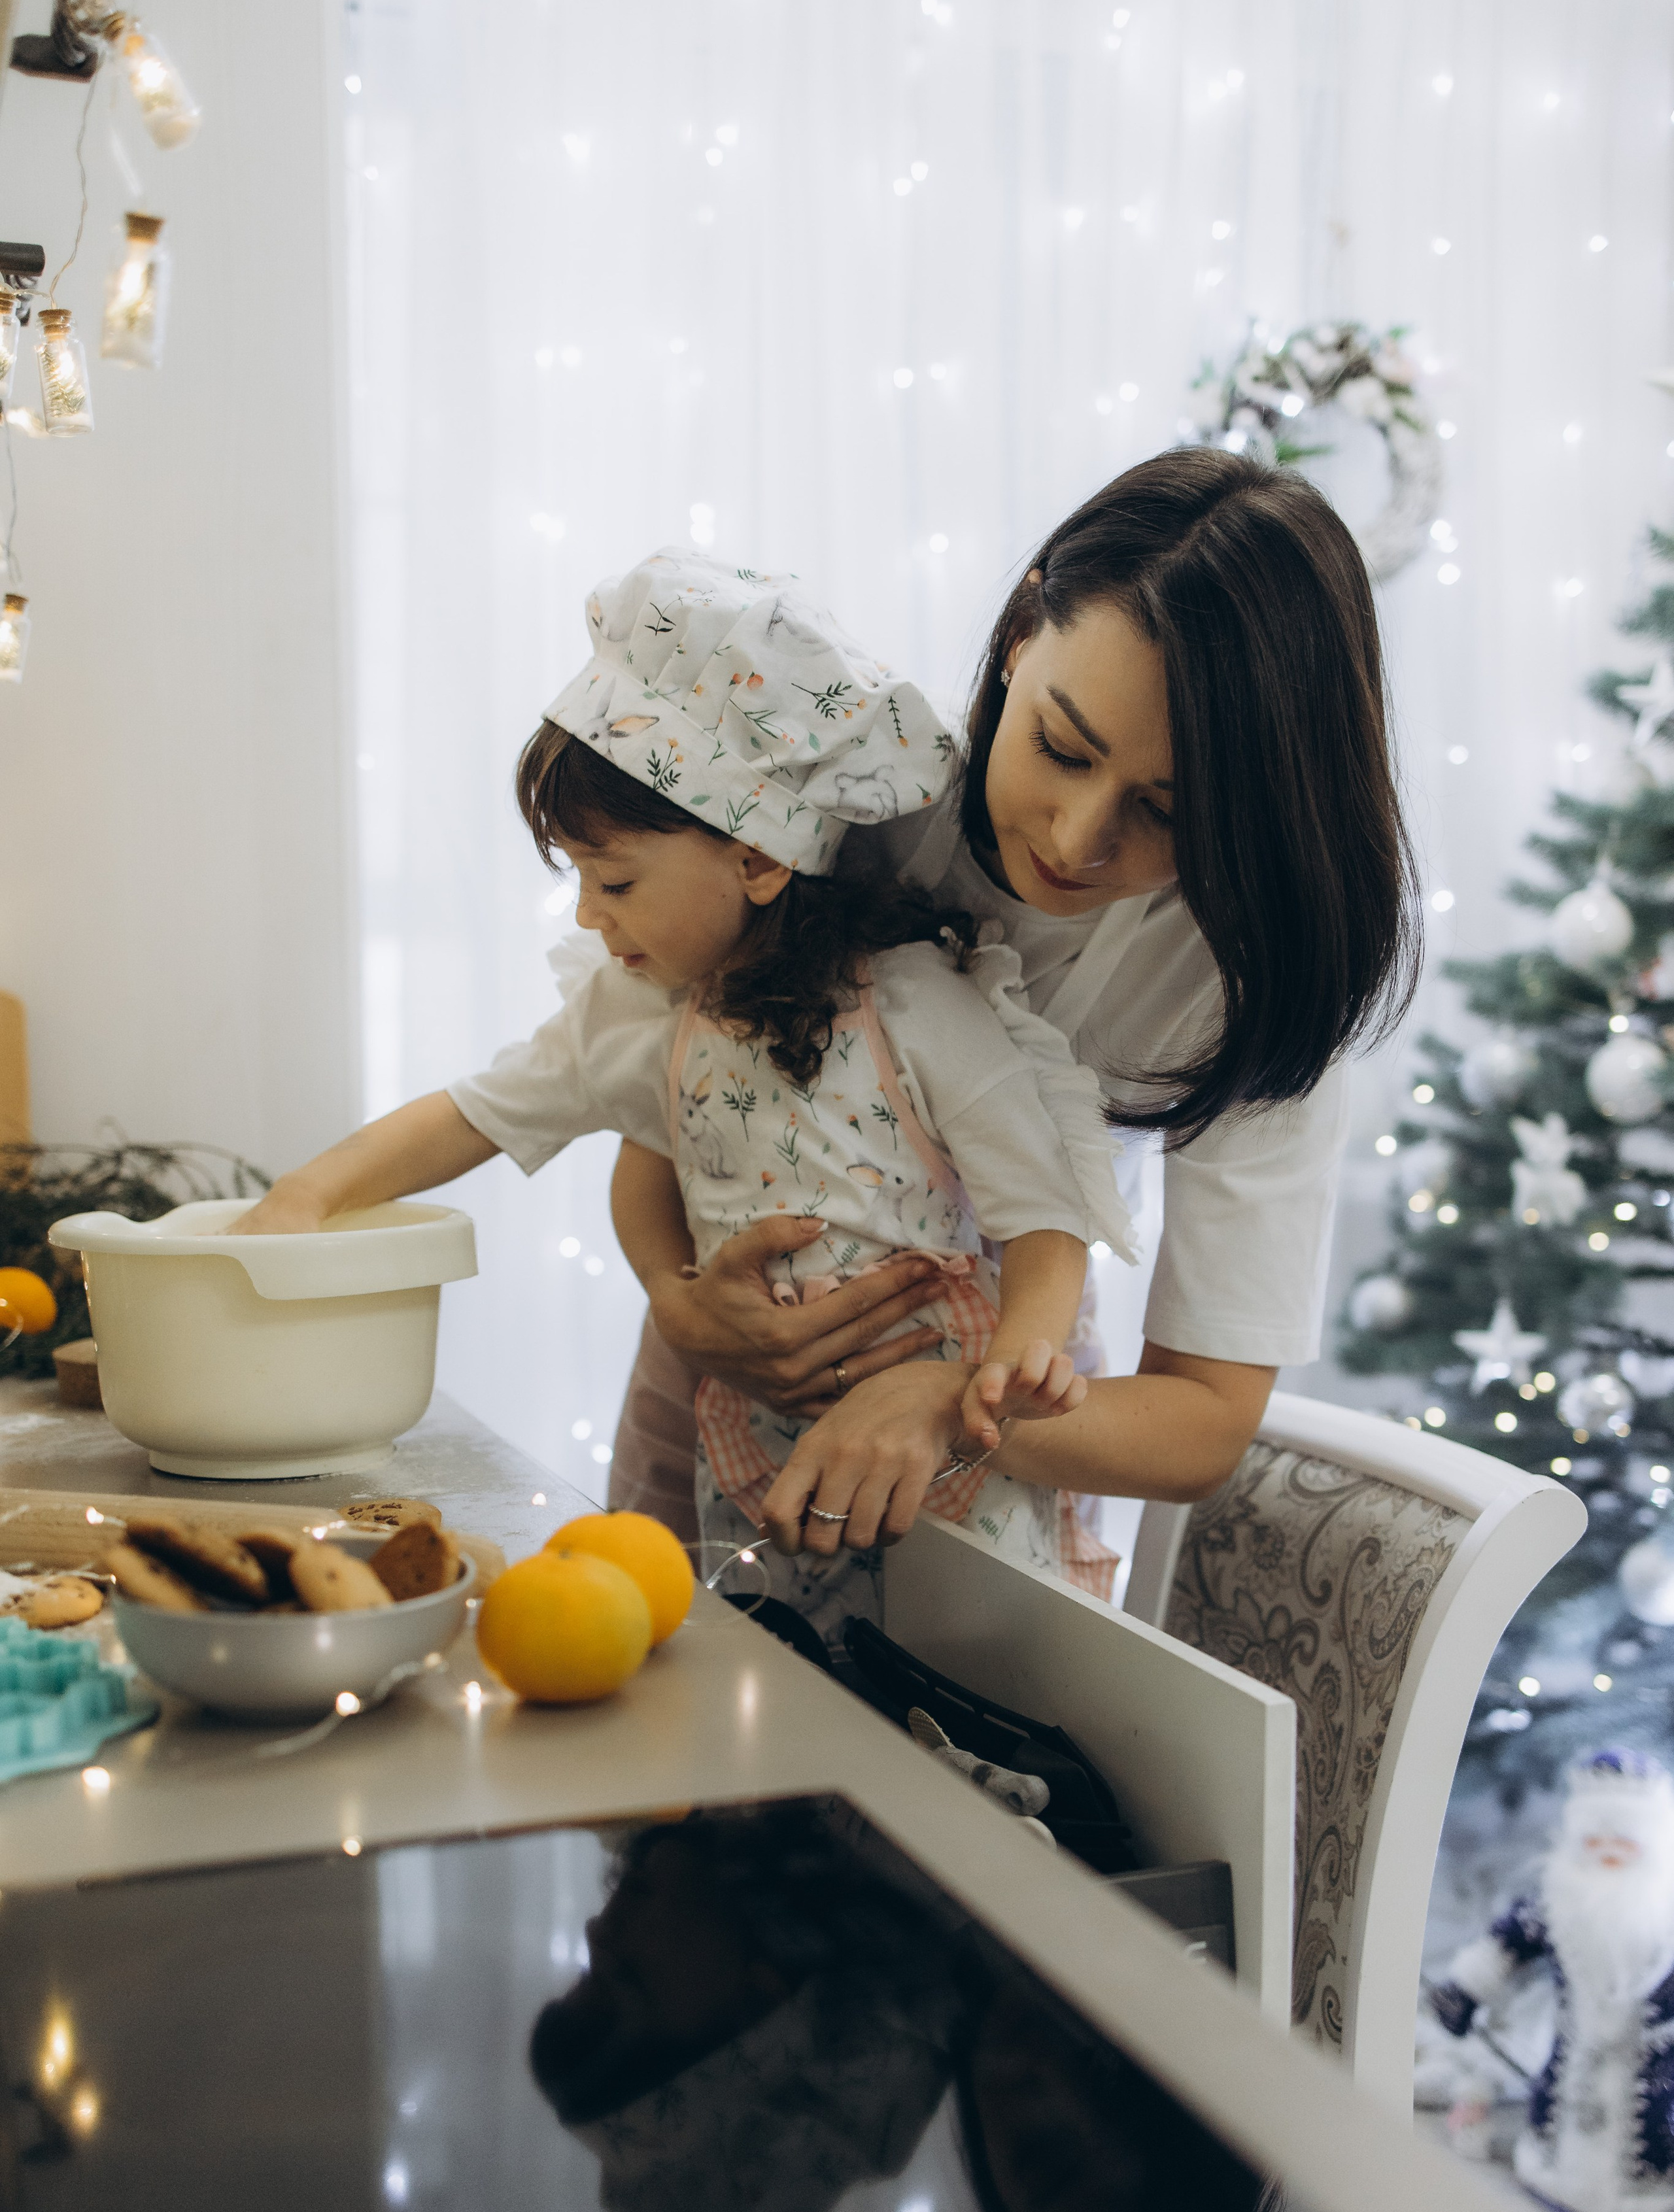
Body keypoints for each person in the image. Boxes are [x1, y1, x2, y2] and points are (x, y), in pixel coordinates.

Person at [234, 553, 1138, 1630]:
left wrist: (1011, 1373)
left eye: (614, 881)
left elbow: (1041, 1209)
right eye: (576, 876)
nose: (587, 915)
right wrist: (303, 1198)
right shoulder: (637, 1016)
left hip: (946, 1473)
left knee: (956, 1705)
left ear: (759, 860)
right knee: (772, 1684)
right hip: (757, 1453)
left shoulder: (918, 1003)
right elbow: (476, 1114)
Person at [604, 446, 1422, 1562]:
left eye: (1169, 813)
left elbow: (1202, 1422)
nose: (1080, 840)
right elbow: (669, 1052)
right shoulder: (853, 800)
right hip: (725, 1376)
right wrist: (674, 1294)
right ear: (1016, 636)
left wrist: (951, 1408)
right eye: (1060, 747)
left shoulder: (1253, 981)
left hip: (998, 1455)